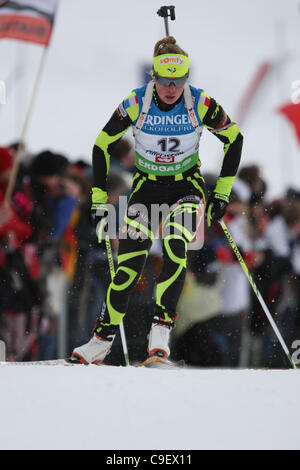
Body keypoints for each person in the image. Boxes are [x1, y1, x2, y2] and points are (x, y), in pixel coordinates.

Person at [72, 36, 243, 364]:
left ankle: (161, 330)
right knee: (127, 269)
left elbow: (234, 139)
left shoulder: (200, 102)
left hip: (186, 189)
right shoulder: (137, 101)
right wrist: (97, 196)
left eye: (179, 81)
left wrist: (221, 192)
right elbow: (101, 144)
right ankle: (101, 340)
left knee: (176, 244)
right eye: (165, 80)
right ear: (154, 77)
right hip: (146, 190)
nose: (172, 88)